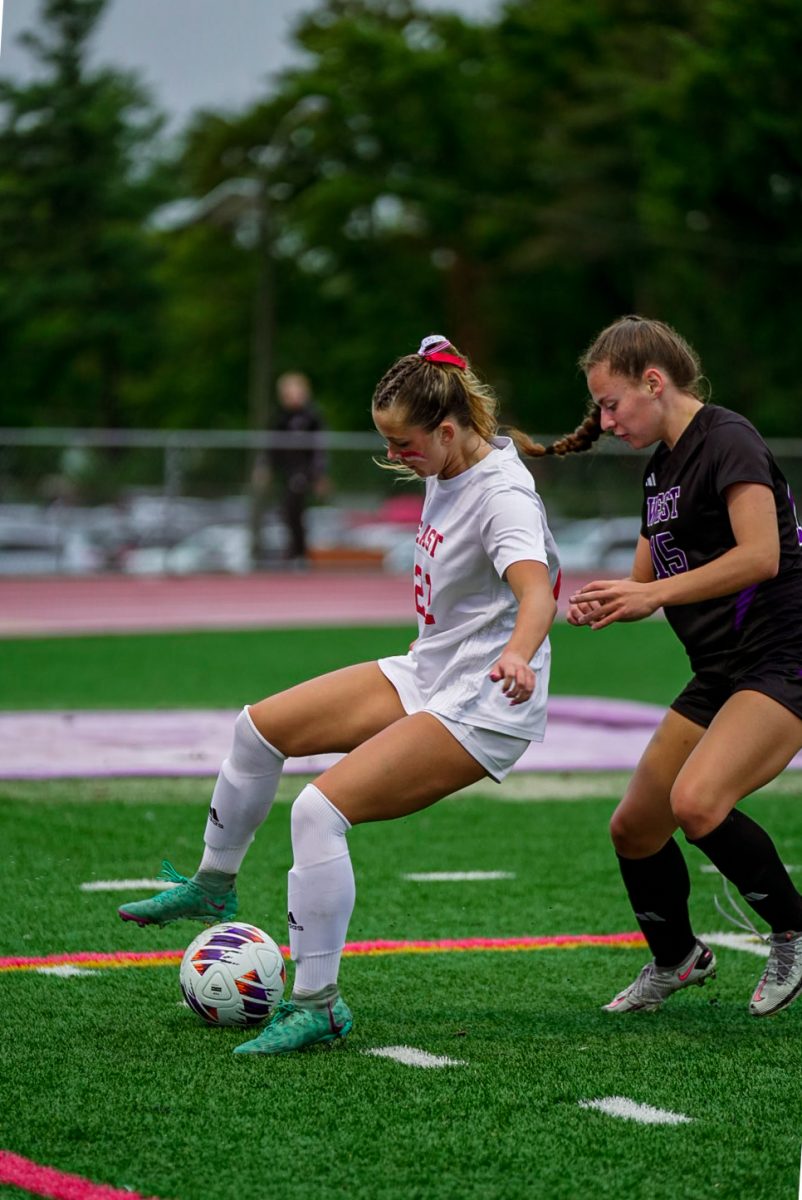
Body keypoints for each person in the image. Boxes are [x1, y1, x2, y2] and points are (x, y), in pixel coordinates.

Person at [118, 334, 561, 1055]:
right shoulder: (456, 453)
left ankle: (318, 1004)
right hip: (433, 672)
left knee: (320, 810)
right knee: (257, 729)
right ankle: (211, 886)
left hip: (486, 702)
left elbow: (536, 595)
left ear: (447, 431)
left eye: (405, 444)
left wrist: (516, 653)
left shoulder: (503, 496)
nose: (396, 458)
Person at [547, 314, 802, 1017]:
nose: (603, 420)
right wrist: (606, 598)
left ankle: (793, 930)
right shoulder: (662, 464)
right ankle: (679, 958)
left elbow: (761, 556)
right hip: (720, 671)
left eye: (610, 403)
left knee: (697, 804)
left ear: (653, 382)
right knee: (636, 826)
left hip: (780, 659)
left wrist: (650, 592)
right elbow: (646, 573)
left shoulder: (728, 440)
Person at [270, 371, 327, 565]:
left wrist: (319, 475)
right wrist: (266, 467)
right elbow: (271, 447)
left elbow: (320, 449)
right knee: (286, 511)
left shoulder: (311, 418)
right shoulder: (280, 417)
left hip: (303, 471)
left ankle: (299, 552)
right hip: (286, 472)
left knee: (294, 507)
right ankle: (294, 550)